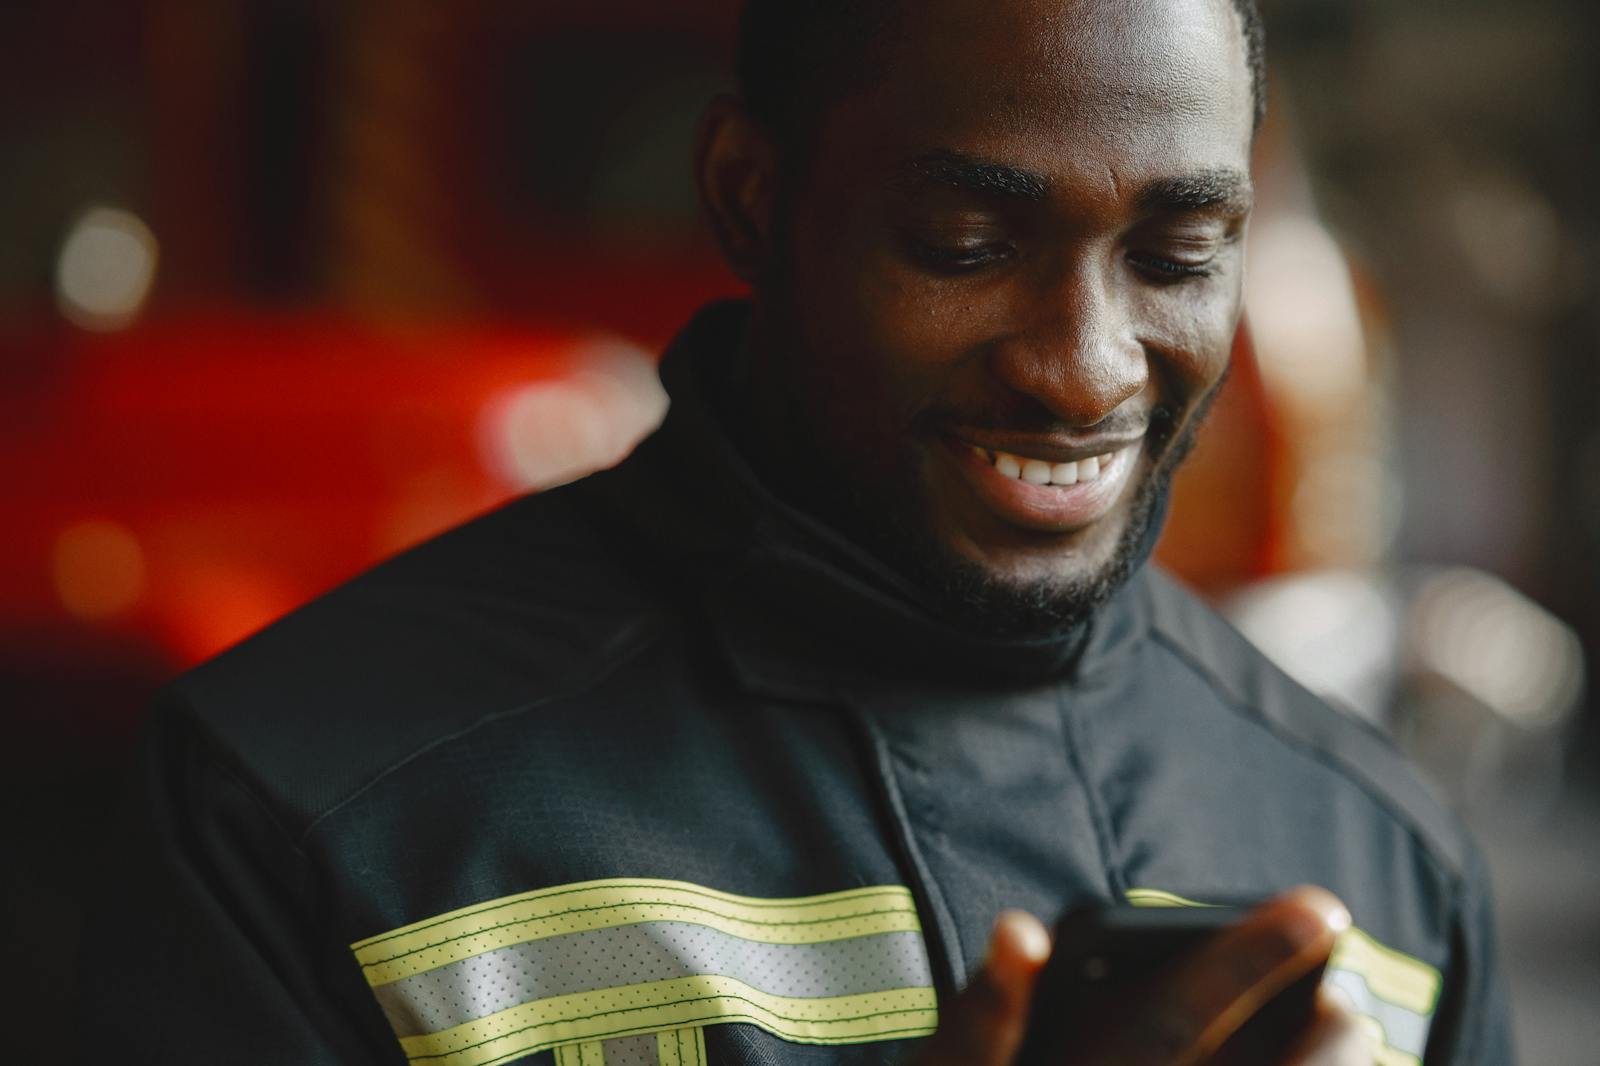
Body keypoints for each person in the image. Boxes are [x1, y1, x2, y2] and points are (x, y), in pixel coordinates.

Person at [80, 1, 1512, 1064]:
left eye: (1178, 258)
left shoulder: (1380, 855)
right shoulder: (305, 811)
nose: (1087, 367)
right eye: (967, 245)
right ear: (750, 199)